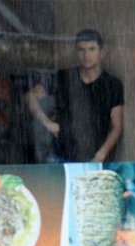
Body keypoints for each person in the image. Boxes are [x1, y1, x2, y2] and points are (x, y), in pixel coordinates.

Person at [25, 29, 124, 163]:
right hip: (59, 157)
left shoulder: (112, 84)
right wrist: (47, 123)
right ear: (76, 52)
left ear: (101, 52)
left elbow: (117, 126)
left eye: (91, 49)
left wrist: (101, 154)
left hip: (94, 158)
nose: (86, 55)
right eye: (81, 50)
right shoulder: (63, 77)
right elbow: (30, 97)